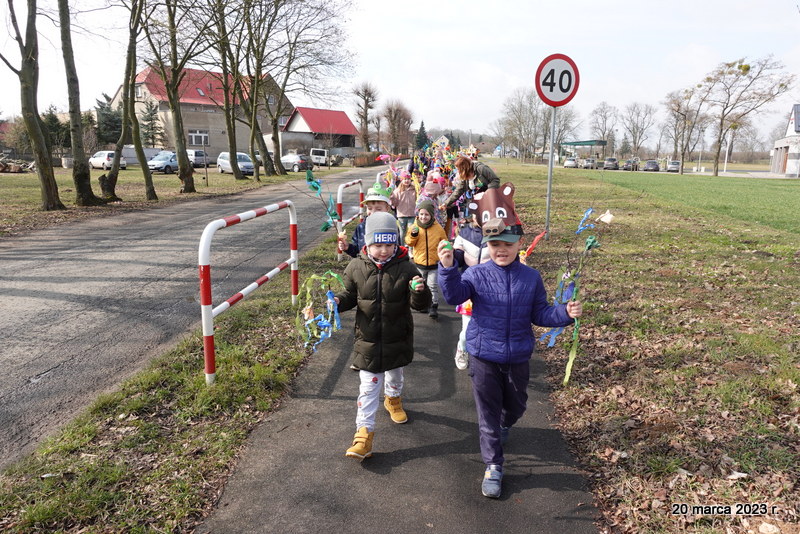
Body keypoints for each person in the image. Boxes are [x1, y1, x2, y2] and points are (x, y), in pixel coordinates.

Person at [437, 217, 583, 499]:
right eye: (494, 244)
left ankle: (505, 424)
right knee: (488, 413)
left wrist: (565, 313)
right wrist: (446, 268)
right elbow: (454, 294)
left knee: (516, 405)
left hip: (517, 354)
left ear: (520, 244)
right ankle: (493, 464)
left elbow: (540, 313)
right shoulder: (476, 274)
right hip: (483, 355)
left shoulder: (531, 278)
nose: (500, 249)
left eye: (507, 244)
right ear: (487, 245)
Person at [335, 212, 431, 460]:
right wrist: (336, 301)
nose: (384, 250)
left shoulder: (407, 267)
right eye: (378, 245)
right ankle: (363, 435)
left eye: (389, 244)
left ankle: (393, 399)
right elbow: (349, 295)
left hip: (397, 337)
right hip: (367, 340)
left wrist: (419, 291)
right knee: (368, 388)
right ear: (367, 243)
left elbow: (419, 305)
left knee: (395, 374)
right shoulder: (356, 266)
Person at [450, 217, 490, 369]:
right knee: (467, 331)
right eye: (477, 212)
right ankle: (462, 348)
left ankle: (484, 358)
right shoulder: (465, 232)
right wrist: (452, 255)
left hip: (492, 290)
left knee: (488, 329)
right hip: (469, 289)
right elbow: (458, 258)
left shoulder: (499, 233)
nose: (481, 217)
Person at [405, 199, 447, 319]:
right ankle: (423, 303)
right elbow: (409, 242)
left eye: (426, 214)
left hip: (434, 263)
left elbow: (444, 240)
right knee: (421, 284)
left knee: (432, 285)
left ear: (431, 215)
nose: (423, 217)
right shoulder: (415, 227)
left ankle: (433, 305)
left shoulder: (438, 228)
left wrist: (446, 249)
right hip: (420, 263)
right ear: (418, 214)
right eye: (421, 214)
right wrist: (413, 235)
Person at [338, 183, 394, 258]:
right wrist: (348, 248)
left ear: (387, 209)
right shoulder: (361, 228)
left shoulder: (392, 227)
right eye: (370, 208)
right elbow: (357, 252)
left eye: (379, 209)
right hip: (366, 267)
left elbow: (397, 251)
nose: (373, 212)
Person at [390, 172, 418, 240]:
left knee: (411, 231)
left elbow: (417, 200)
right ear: (401, 180)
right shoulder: (397, 191)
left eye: (408, 179)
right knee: (402, 233)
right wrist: (392, 198)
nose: (407, 181)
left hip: (412, 214)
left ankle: (411, 247)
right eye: (405, 179)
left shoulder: (414, 190)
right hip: (402, 215)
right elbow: (394, 204)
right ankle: (402, 247)